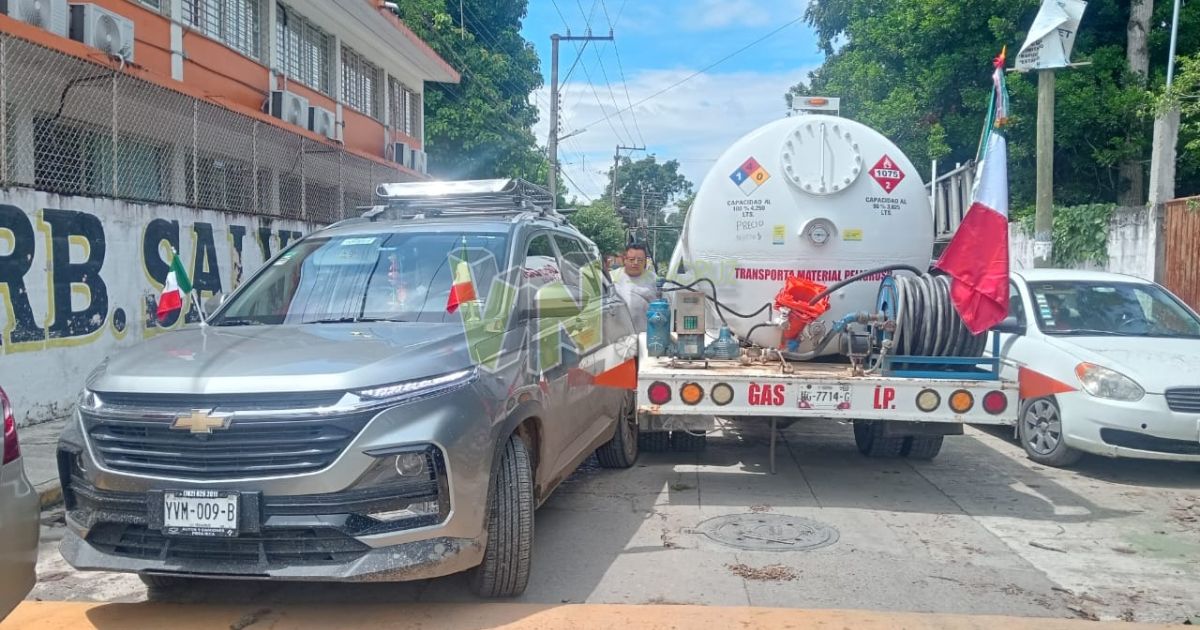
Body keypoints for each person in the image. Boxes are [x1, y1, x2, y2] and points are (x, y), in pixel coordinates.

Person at [611, 243, 657, 332]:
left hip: (645, 332)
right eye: (631, 259)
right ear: (624, 260)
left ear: (645, 261)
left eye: (640, 260)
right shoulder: (612, 277)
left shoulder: (653, 279)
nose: (636, 263)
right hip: (618, 332)